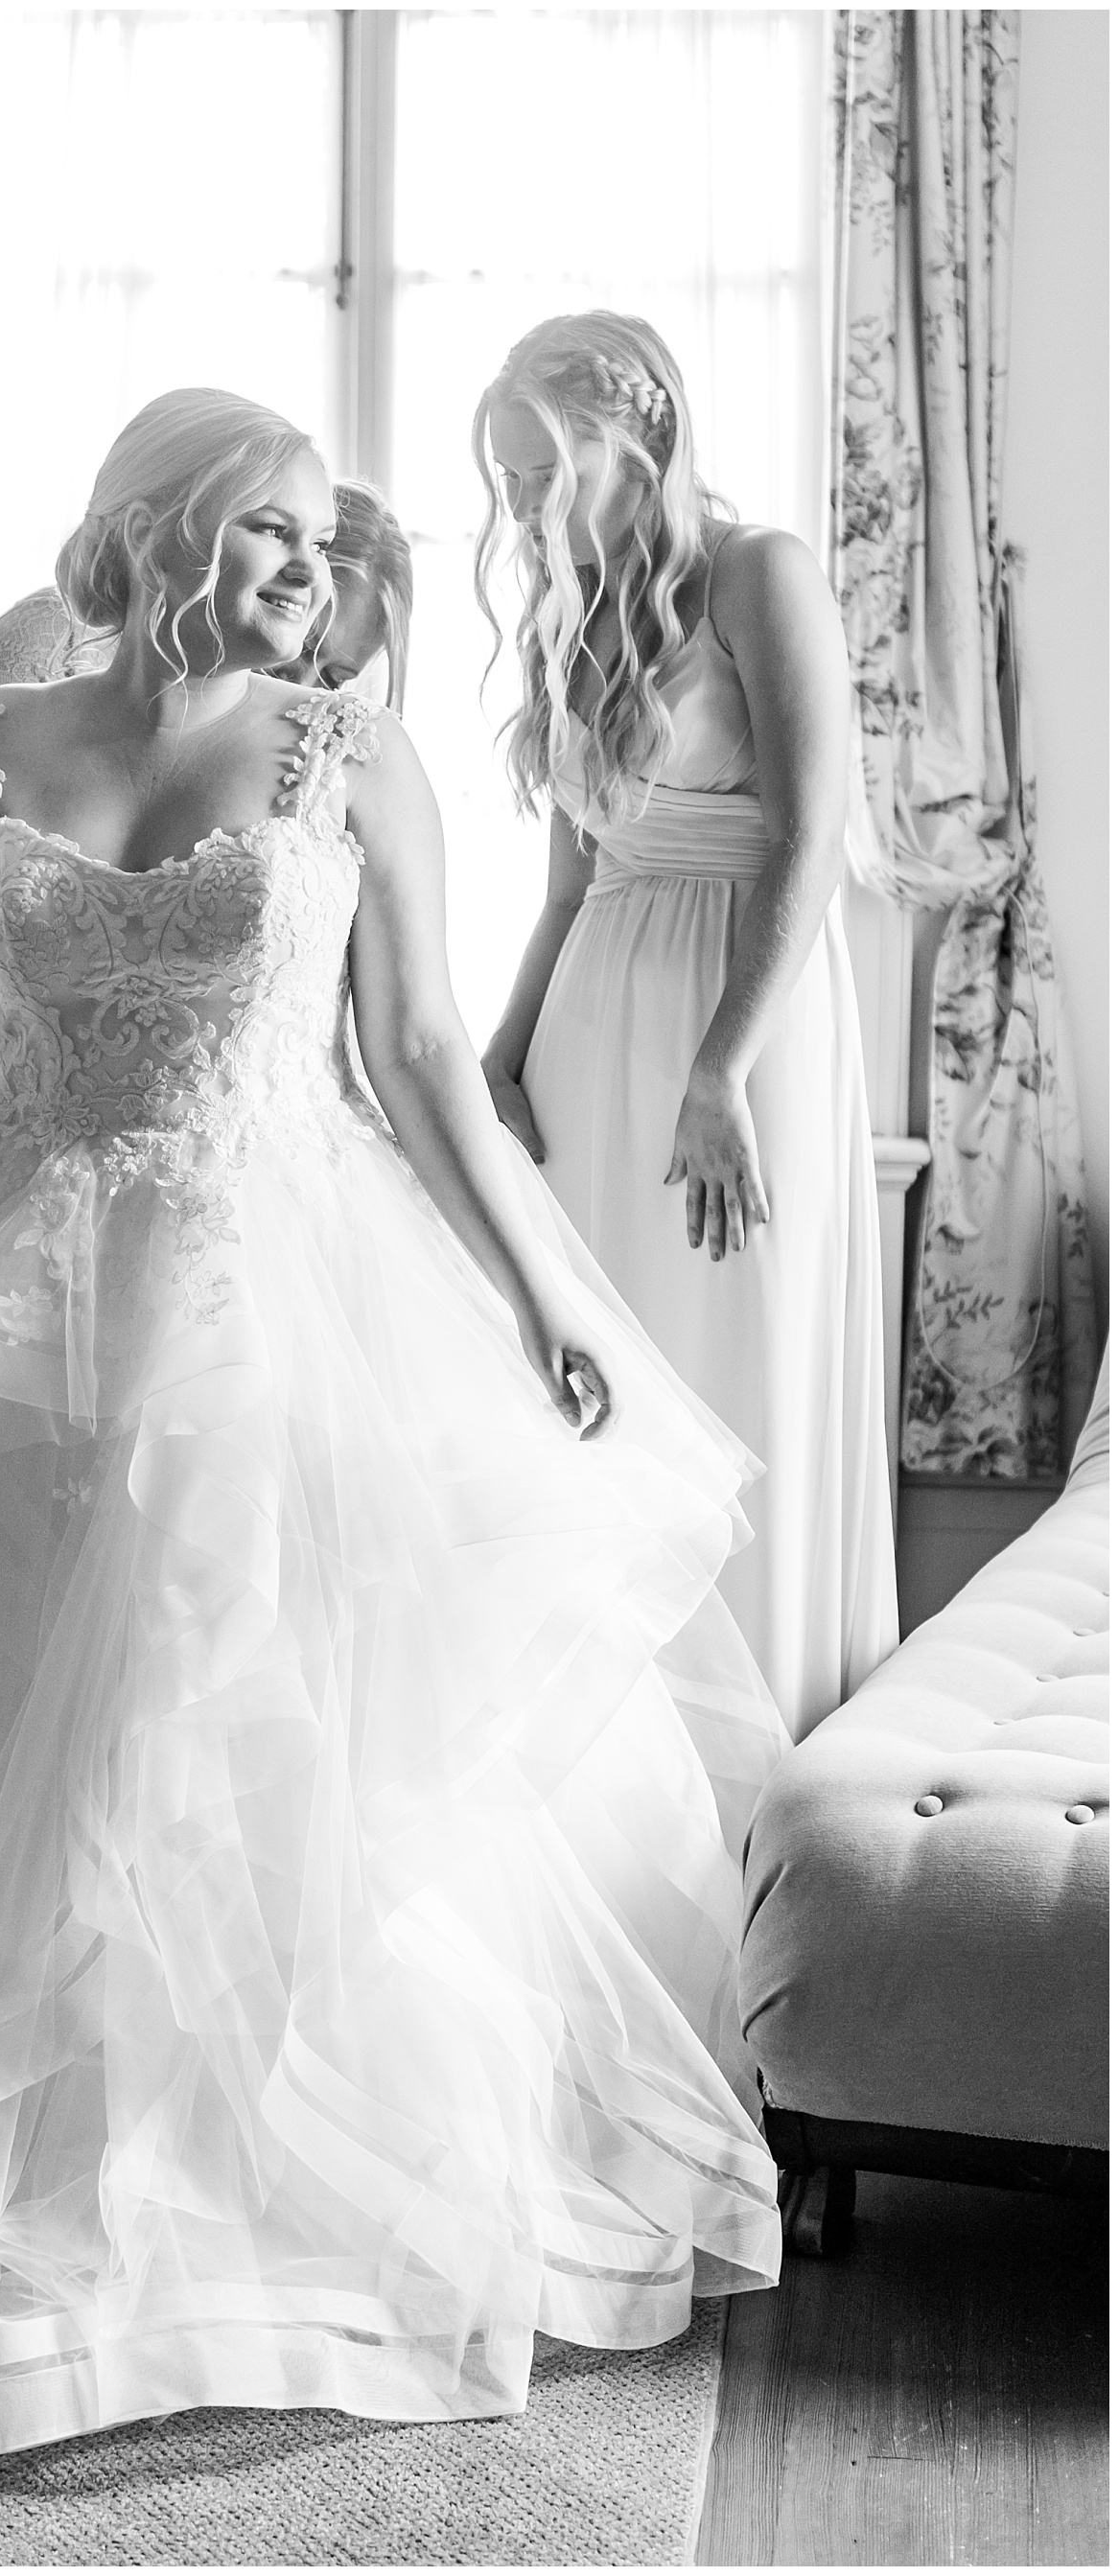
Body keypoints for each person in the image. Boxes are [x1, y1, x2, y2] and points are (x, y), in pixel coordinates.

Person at [0, 386, 787, 2471]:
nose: (315, 567)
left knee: (227, 1736)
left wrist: (549, 1298)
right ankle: (17, 2168)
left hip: (275, 1290)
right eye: (272, 527)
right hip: (15, 1299)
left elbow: (423, 1054)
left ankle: (232, 2188)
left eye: (322, 538)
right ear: (159, 526)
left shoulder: (346, 755)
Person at [474, 313, 898, 1741]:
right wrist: (502, 1061)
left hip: (742, 1023)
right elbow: (569, 885)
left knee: (735, 1367)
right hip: (595, 1020)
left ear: (640, 434)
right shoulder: (576, 607)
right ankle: (613, 1775)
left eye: (545, 468)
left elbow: (811, 837)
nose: (522, 504)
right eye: (507, 475)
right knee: (601, 1383)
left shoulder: (760, 572)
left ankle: (757, 1756)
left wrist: (723, 1066)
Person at [0, 482, 415, 1336]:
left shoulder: (333, 760)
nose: (303, 682)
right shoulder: (65, 632)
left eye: (337, 674)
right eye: (301, 657)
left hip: (115, 1145)